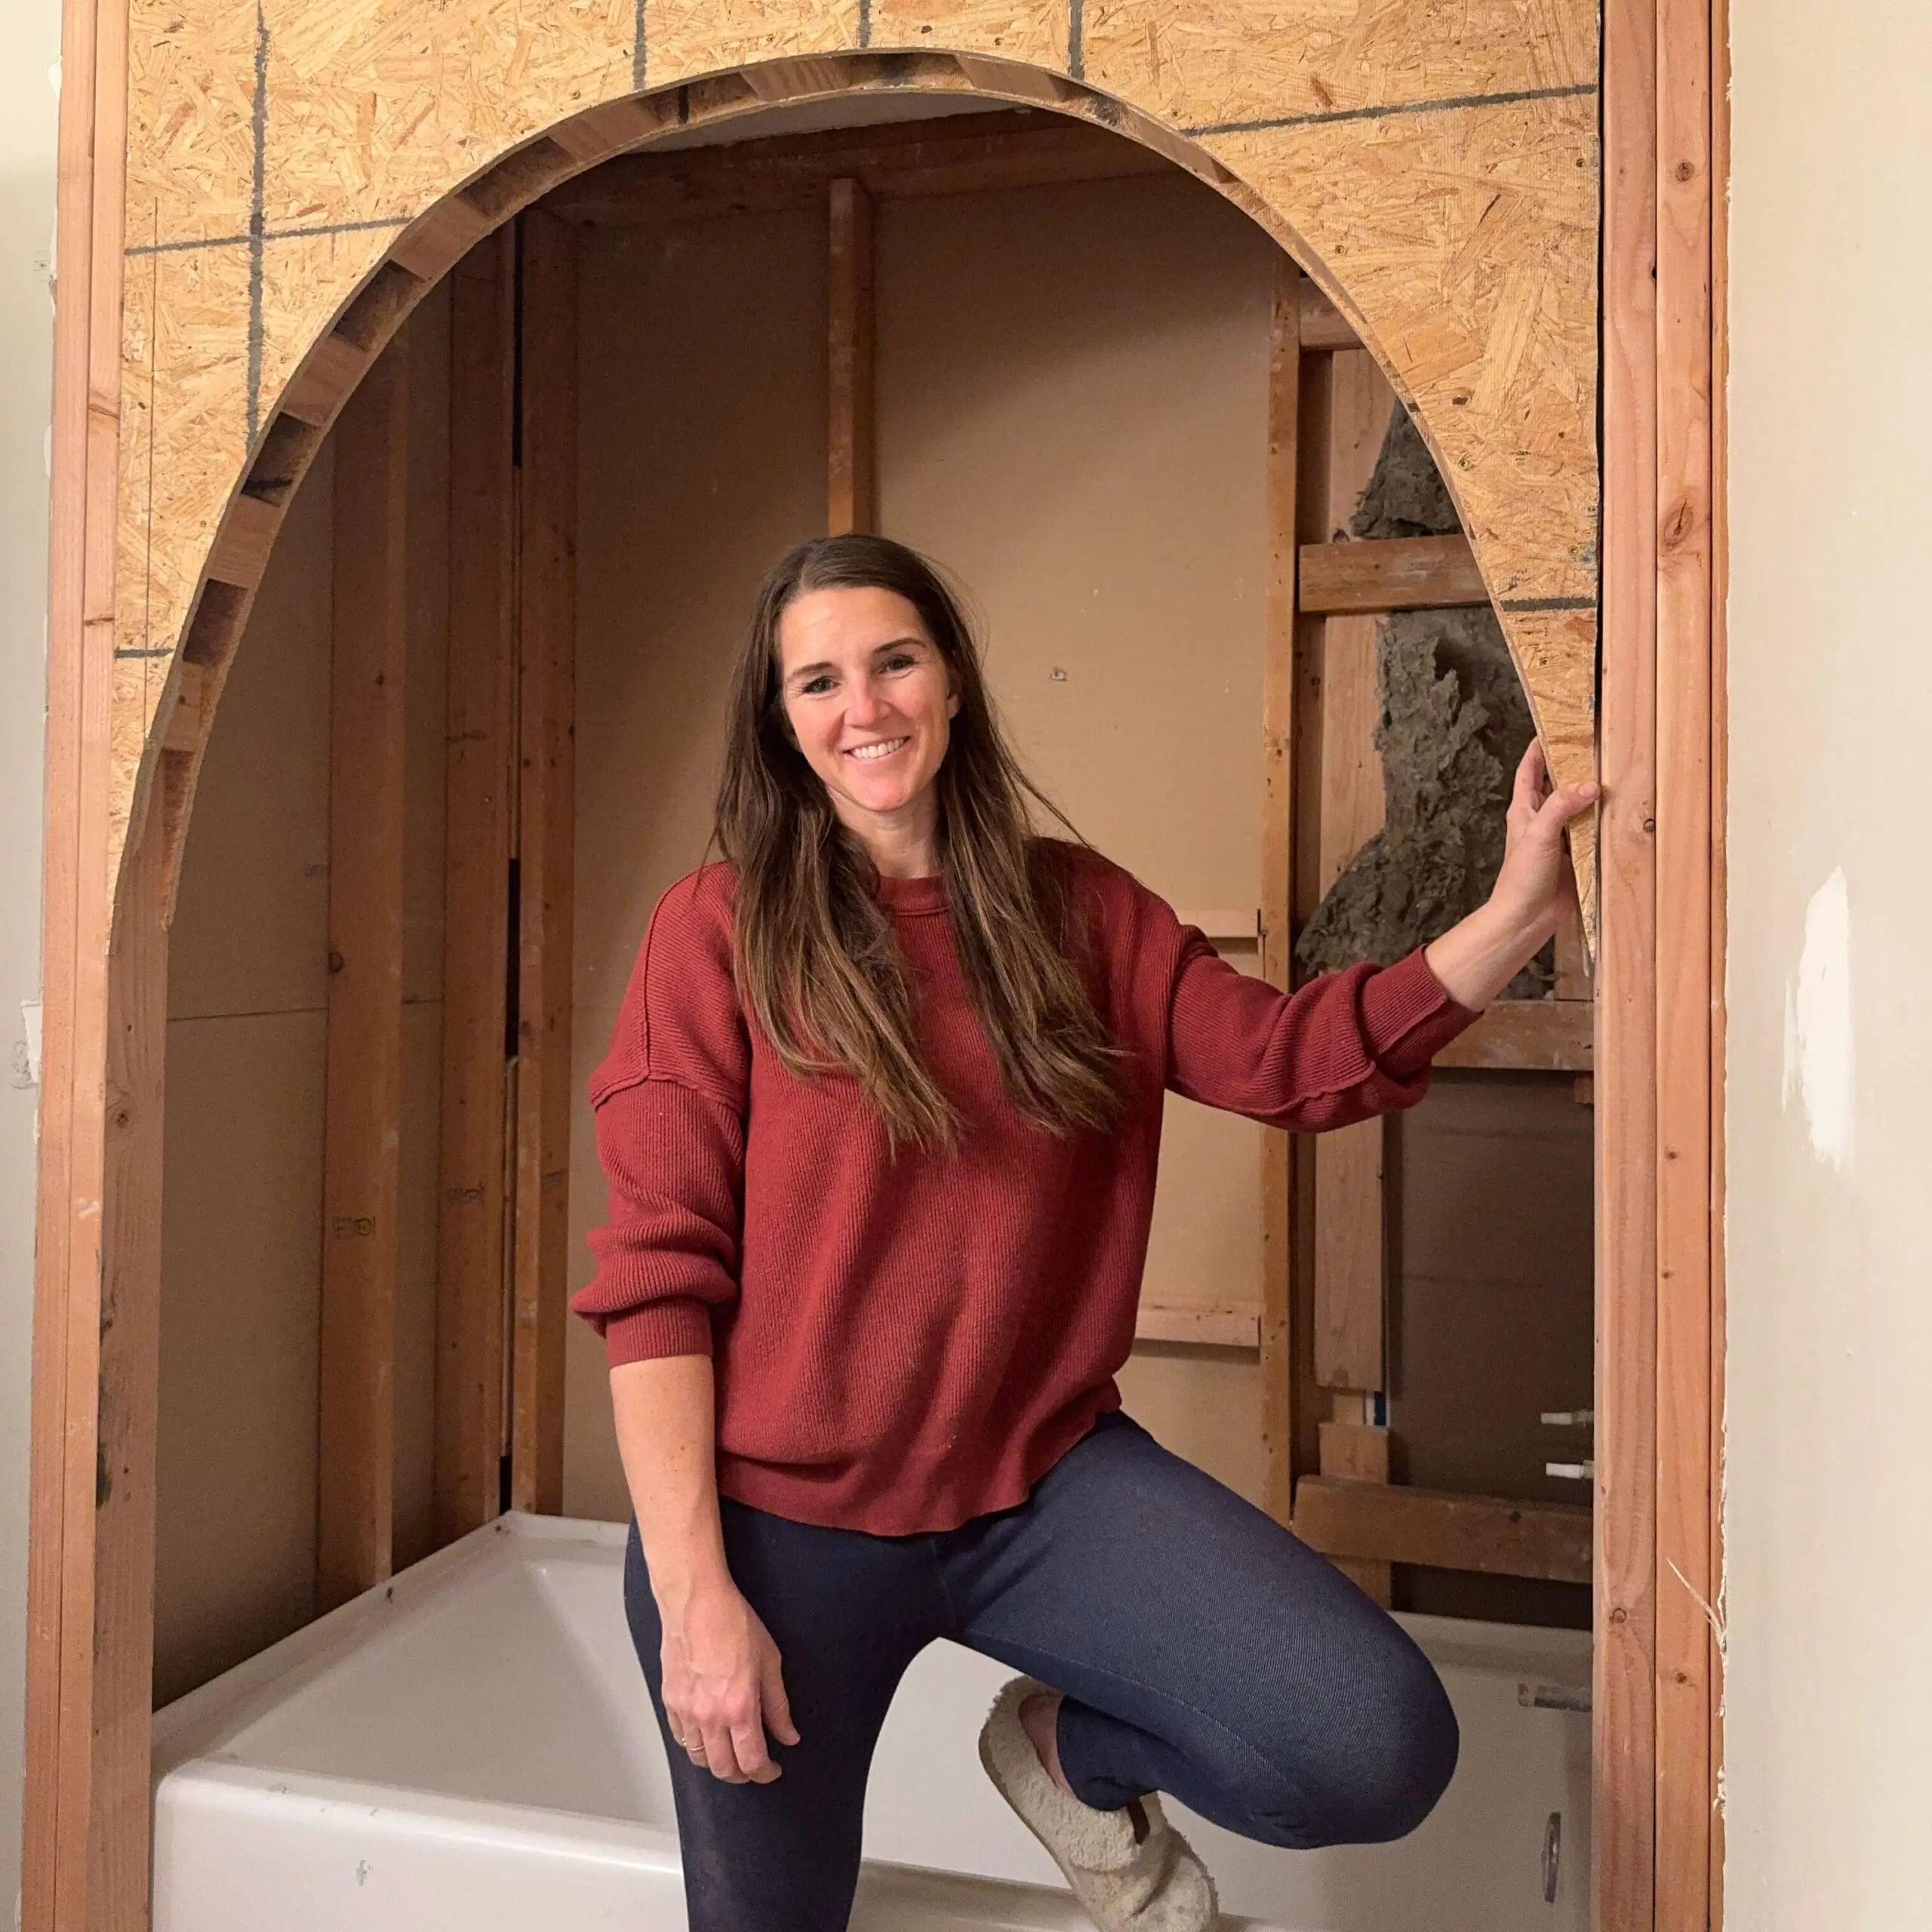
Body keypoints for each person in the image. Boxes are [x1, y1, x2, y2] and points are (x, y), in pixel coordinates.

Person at [571, 534, 1599, 1932]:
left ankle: (1068, 1750)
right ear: (781, 723)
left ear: (952, 684)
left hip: (1042, 1490)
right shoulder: (715, 934)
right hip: (776, 1536)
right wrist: (698, 1605)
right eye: (817, 681)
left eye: (894, 662)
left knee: (1376, 1745)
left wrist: (1512, 914)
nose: (861, 707)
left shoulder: (1083, 913)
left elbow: (1293, 1063)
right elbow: (656, 1289)